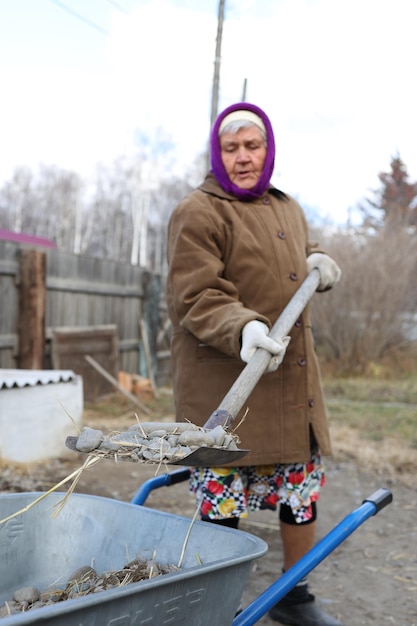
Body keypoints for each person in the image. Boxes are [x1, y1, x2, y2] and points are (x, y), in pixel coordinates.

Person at [166, 102, 343, 626]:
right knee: (225, 497)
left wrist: (316, 259)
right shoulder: (198, 211)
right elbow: (195, 295)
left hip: (289, 384)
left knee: (299, 488)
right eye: (231, 148)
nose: (243, 157)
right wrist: (242, 326)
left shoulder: (286, 206)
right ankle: (219, 601)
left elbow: (287, 256)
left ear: (268, 150)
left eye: (253, 145)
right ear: (217, 155)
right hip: (229, 383)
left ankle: (293, 593)